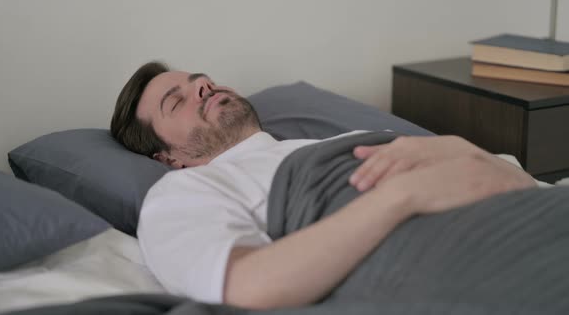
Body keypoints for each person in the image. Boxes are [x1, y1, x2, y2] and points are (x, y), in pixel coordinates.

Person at [110, 62, 537, 310]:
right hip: (469, 261)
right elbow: (246, 284)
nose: (202, 86)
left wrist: (462, 150)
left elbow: (510, 179)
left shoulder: (333, 143)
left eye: (198, 79)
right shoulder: (185, 192)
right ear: (168, 158)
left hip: (525, 213)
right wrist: (404, 195)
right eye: (177, 101)